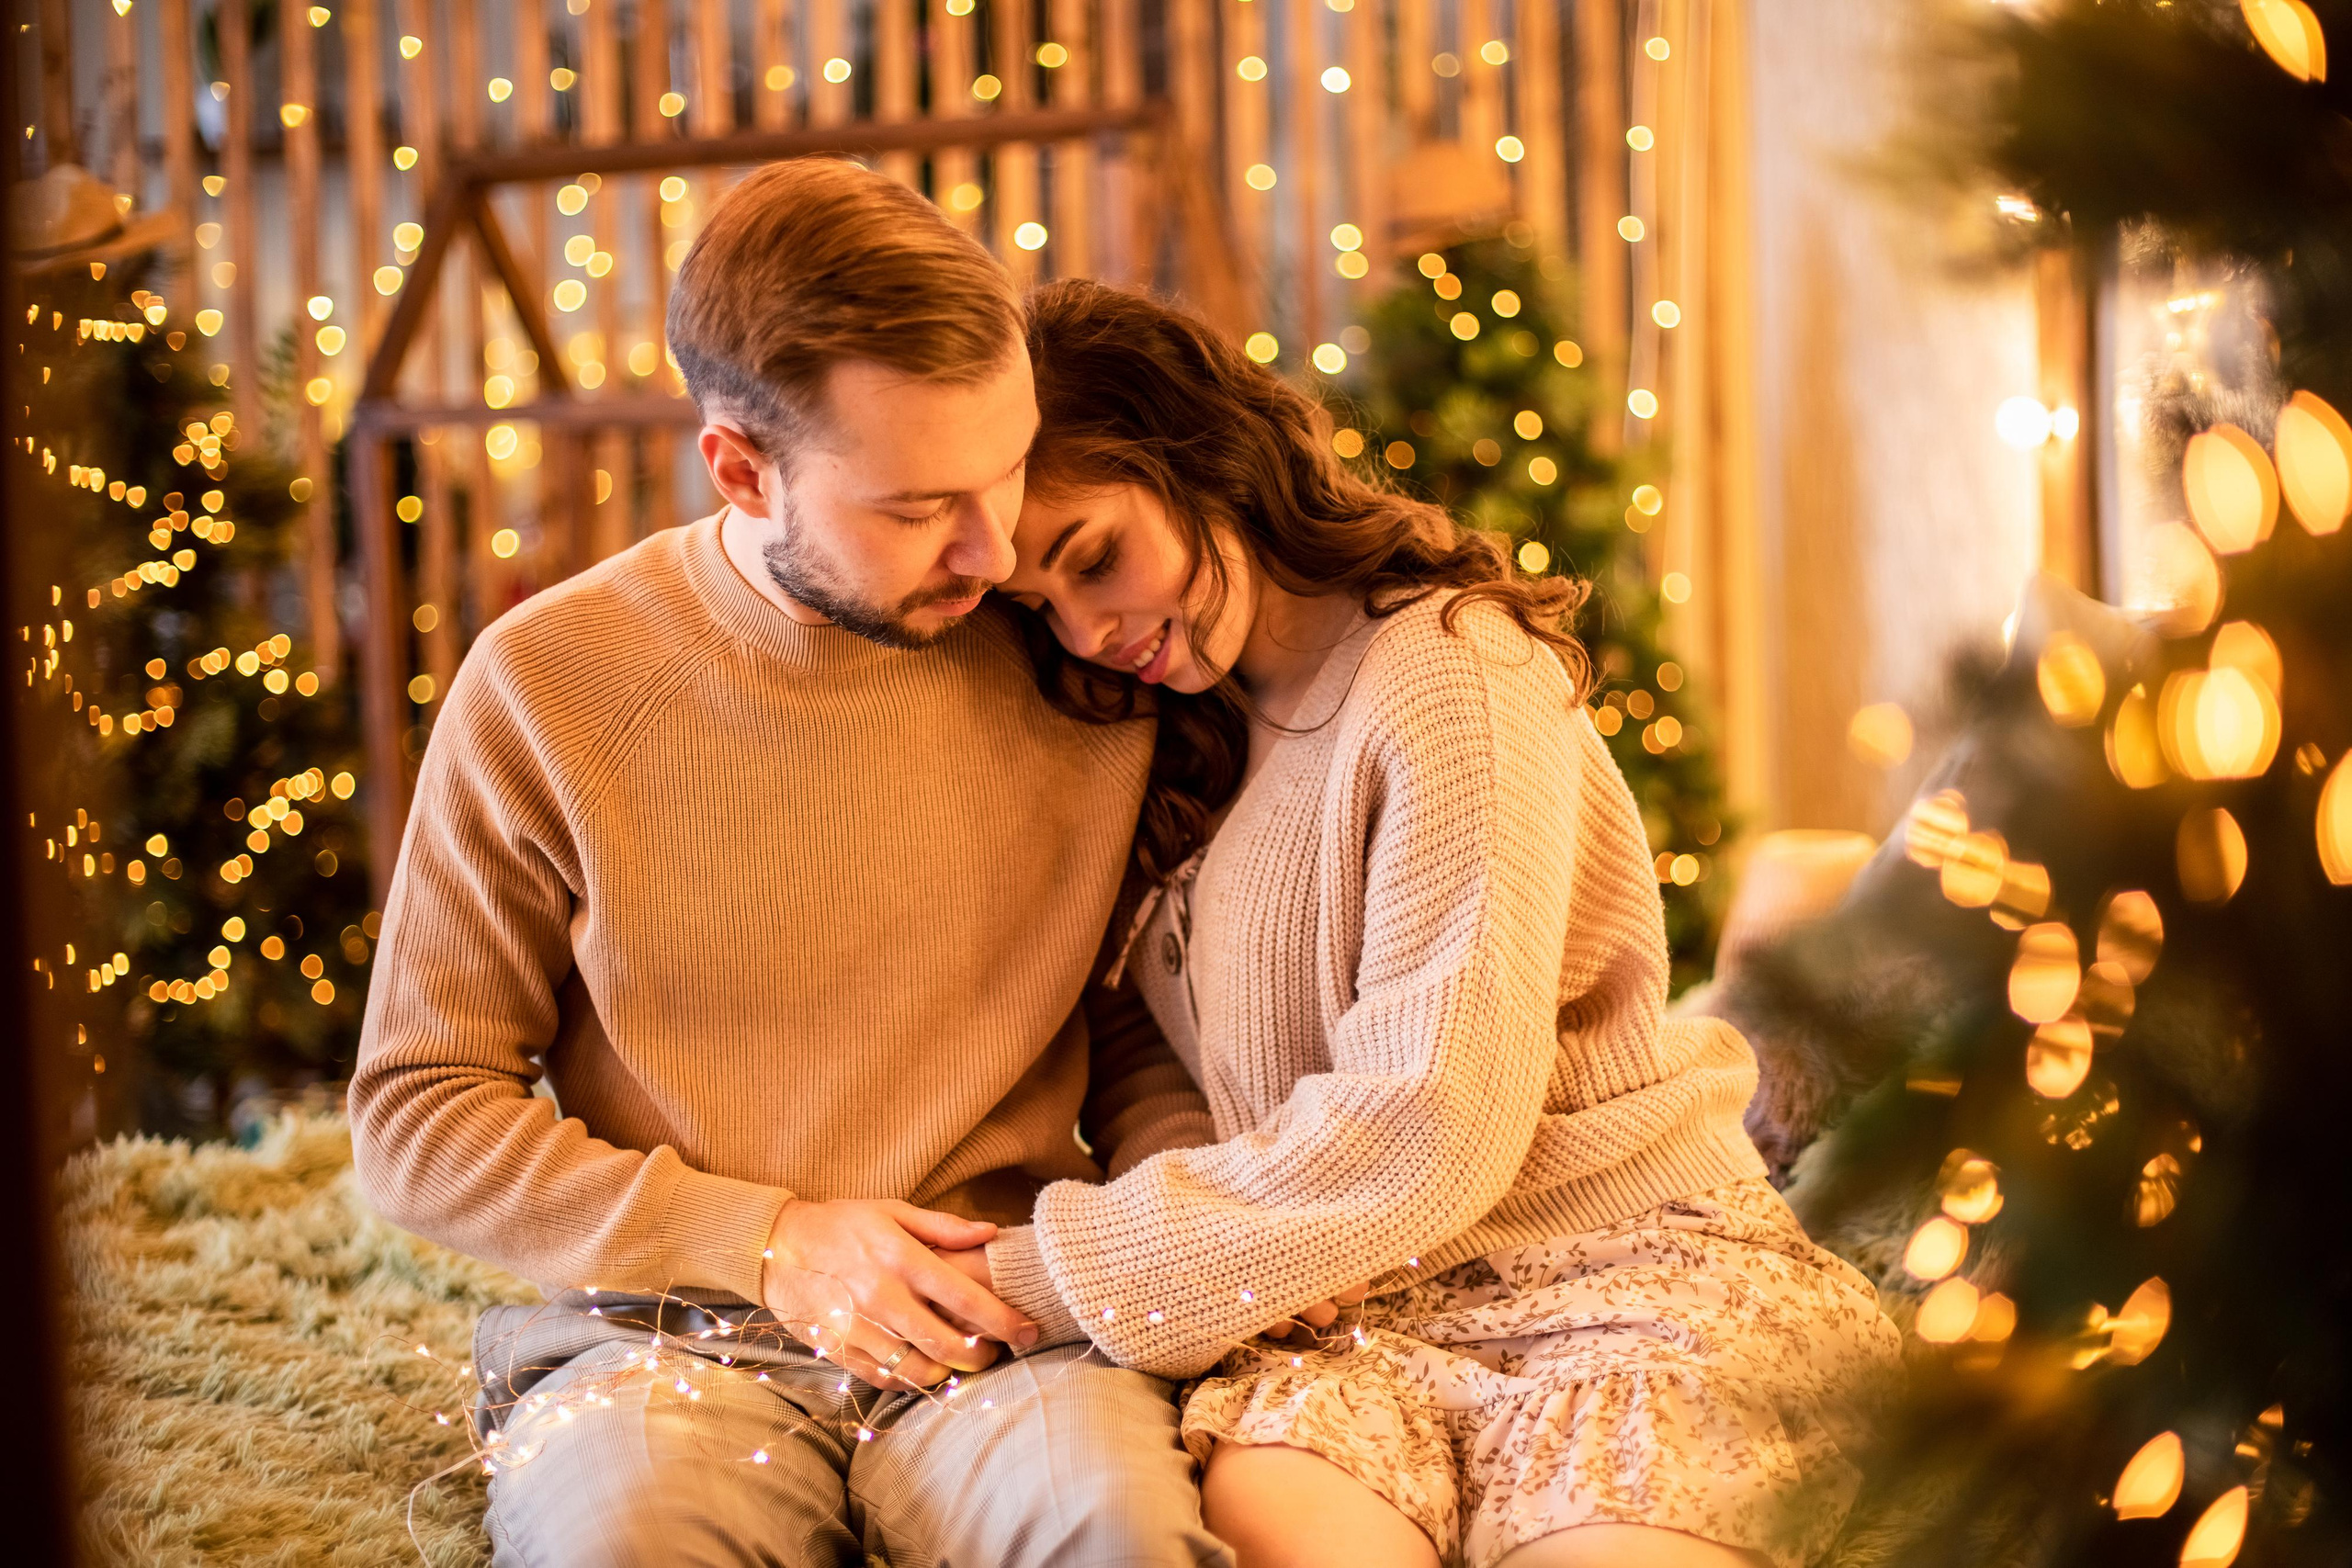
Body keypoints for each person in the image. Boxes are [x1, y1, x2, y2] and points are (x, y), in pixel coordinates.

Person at [348, 162, 1237, 1567]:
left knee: (1122, 1540)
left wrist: (1138, 1254)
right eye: (915, 506)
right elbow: (415, 1112)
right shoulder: (550, 684)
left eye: (1005, 470)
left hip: (1000, 1326)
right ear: (741, 468)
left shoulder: (1068, 640)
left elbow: (1130, 1021)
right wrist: (765, 1240)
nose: (995, 549)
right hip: (661, 1336)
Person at [962, 280, 1902, 1568]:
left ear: (1203, 456)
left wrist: (1030, 1275)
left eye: (1094, 557)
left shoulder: (1453, 671)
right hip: (1336, 1311)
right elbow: (1150, 1061)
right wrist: (1239, 1226)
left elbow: (1432, 1123)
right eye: (1041, 605)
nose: (1089, 628)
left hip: (1613, 1276)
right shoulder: (1171, 725)